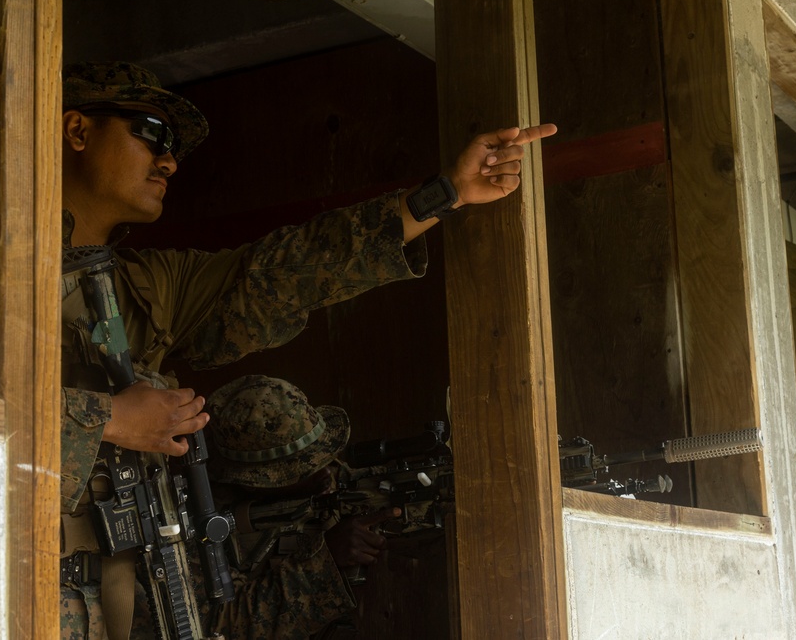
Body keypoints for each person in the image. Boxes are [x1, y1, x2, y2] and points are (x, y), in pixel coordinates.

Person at [57, 61, 557, 640]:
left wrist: (444, 196)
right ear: (77, 132)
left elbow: (286, 271)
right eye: (153, 133)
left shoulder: (146, 288)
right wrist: (111, 420)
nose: (169, 160)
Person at [190, 374, 394, 639]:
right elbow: (221, 626)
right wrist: (326, 563)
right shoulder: (195, 524)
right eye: (299, 469)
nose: (324, 470)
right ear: (253, 483)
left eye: (321, 454)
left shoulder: (322, 480)